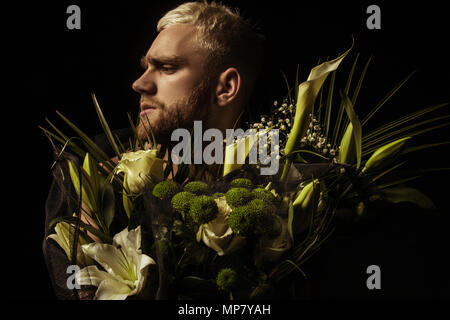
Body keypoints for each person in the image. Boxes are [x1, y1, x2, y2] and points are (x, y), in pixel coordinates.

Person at [43, 1, 265, 300]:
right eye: (146, 66)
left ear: (225, 87)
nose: (140, 83)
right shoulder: (101, 182)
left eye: (167, 67)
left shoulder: (274, 189)